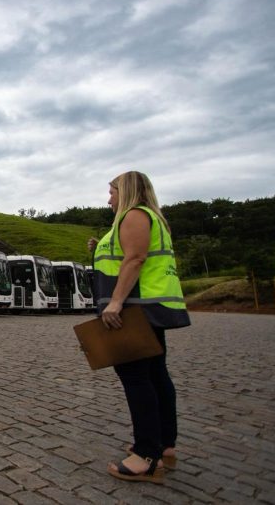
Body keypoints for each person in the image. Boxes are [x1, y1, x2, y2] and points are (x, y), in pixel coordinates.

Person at [87, 171, 190, 483]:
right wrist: (98, 249)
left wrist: (116, 303)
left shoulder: (133, 215)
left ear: (127, 191)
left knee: (135, 378)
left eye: (112, 192)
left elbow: (135, 259)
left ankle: (146, 456)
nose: (109, 199)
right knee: (156, 374)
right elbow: (127, 255)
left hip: (135, 308)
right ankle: (164, 444)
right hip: (149, 307)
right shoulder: (149, 216)